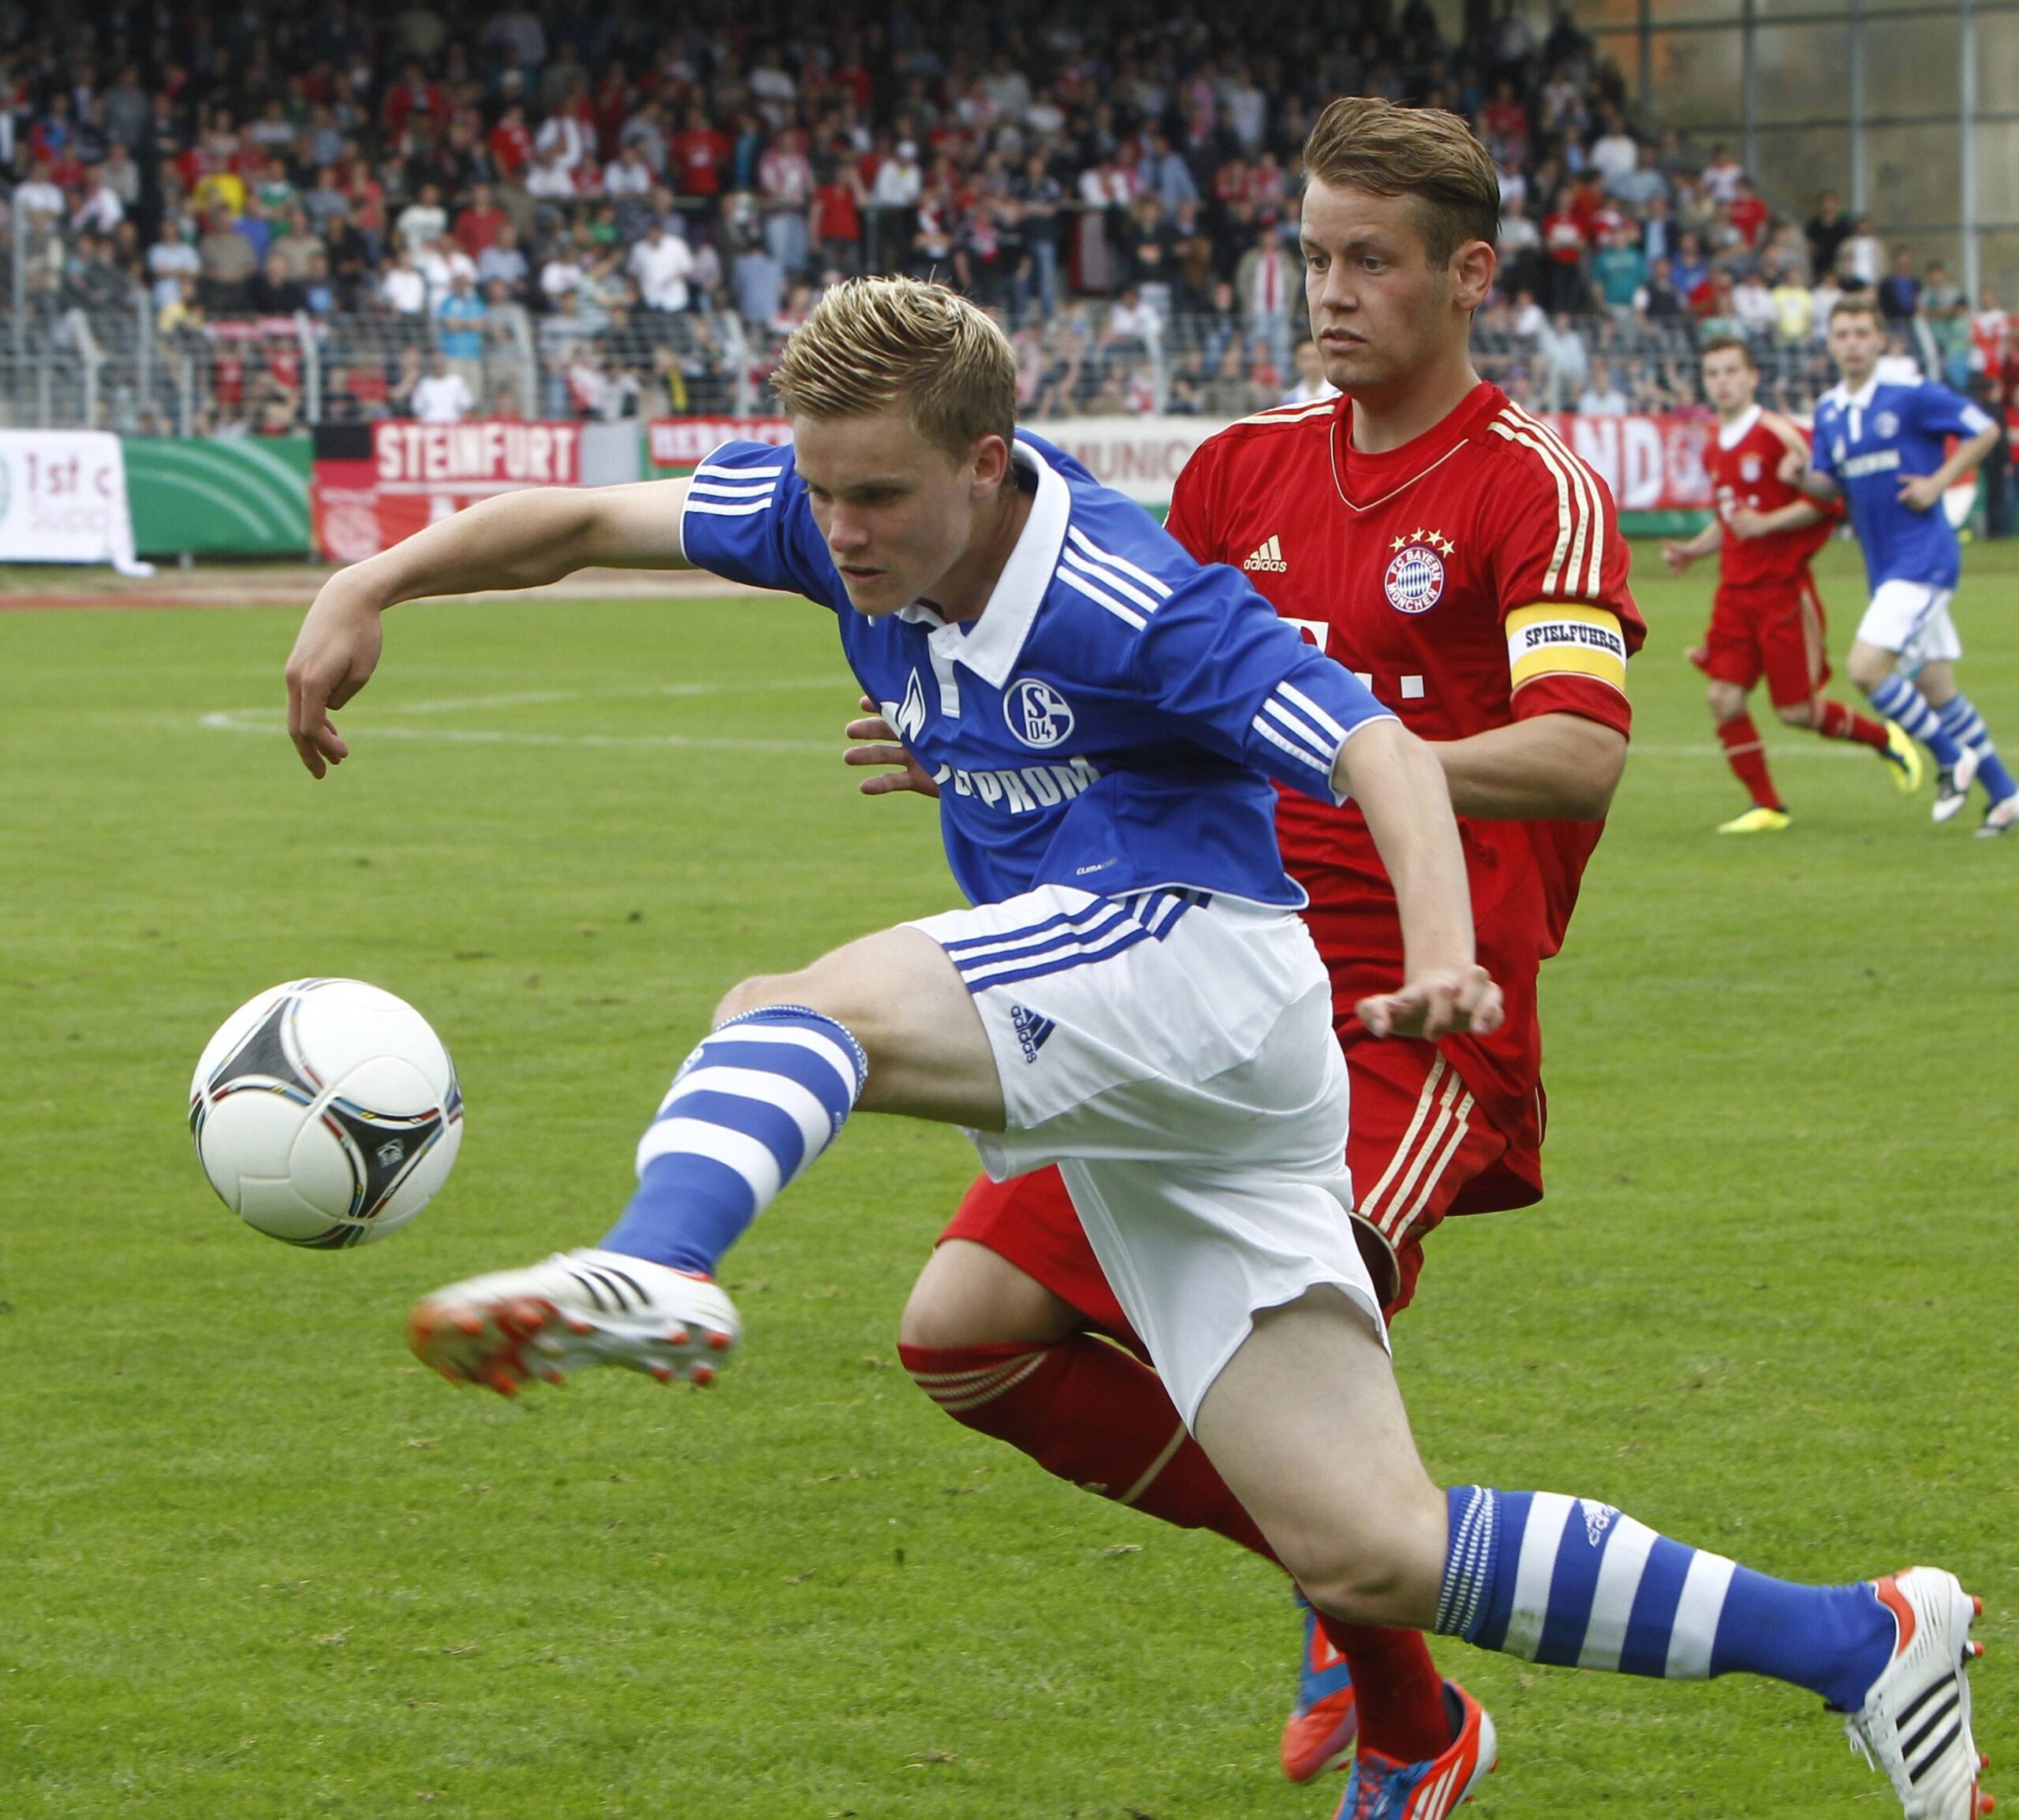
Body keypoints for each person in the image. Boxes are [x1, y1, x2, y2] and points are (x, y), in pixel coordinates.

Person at [287, 270, 1985, 1820]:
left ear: (987, 459)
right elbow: (584, 517)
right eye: (818, 489)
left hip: (1200, 970)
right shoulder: (829, 517)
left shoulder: (1123, 588)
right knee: (1371, 1546)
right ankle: (1856, 1637)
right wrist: (372, 577)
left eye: (878, 493)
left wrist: (1449, 956)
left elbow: (1380, 751)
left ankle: (656, 1263)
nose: (841, 529)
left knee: (788, 1009)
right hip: (1160, 1081)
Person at [836, 116, 1986, 1820]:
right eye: (1310, 255)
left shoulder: (1531, 485)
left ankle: (1704, 1659)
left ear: (1466, 273)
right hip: (1191, 969)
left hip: (1408, 1012)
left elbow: (1578, 751)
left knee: (1334, 1459)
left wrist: (1342, 743)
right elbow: (1137, 690)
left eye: (1369, 258)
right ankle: (1435, 1688)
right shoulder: (1236, 471)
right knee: (967, 1335)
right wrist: (997, 740)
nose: (1330, 292)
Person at [1662, 335, 1919, 832]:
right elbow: (1732, 516)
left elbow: (1829, 501)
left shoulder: (1780, 434)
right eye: (1713, 373)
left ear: (1754, 376)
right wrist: (1695, 551)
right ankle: (1768, 807)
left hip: (1782, 592)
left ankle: (1886, 740)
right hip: (1734, 594)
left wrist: (1771, 523)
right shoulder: (1715, 447)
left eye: (1732, 371)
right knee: (1723, 698)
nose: (1723, 381)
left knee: (1798, 711)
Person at [1784, 296, 2017, 834]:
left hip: (1925, 560)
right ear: (1830, 343)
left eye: (1862, 333)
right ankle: (2005, 794)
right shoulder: (1830, 412)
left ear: (1881, 341)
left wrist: (1939, 482)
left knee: (1866, 669)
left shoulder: (1909, 398)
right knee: (1938, 688)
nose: (1852, 343)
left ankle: (1947, 755)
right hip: (1885, 568)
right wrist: (1800, 476)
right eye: (1842, 334)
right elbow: (1829, 483)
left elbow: (1984, 429)